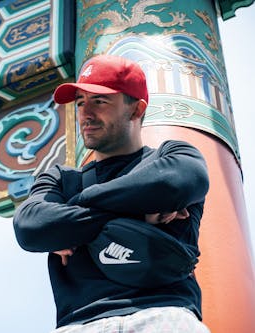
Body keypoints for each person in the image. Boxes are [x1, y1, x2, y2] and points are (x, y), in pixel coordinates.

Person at [13, 54, 210, 332]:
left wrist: (75, 212)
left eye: (99, 101)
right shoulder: (62, 178)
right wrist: (135, 209)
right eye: (80, 103)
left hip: (163, 315)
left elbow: (177, 182)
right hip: (80, 324)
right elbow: (31, 227)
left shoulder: (174, 157)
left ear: (136, 109)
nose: (85, 113)